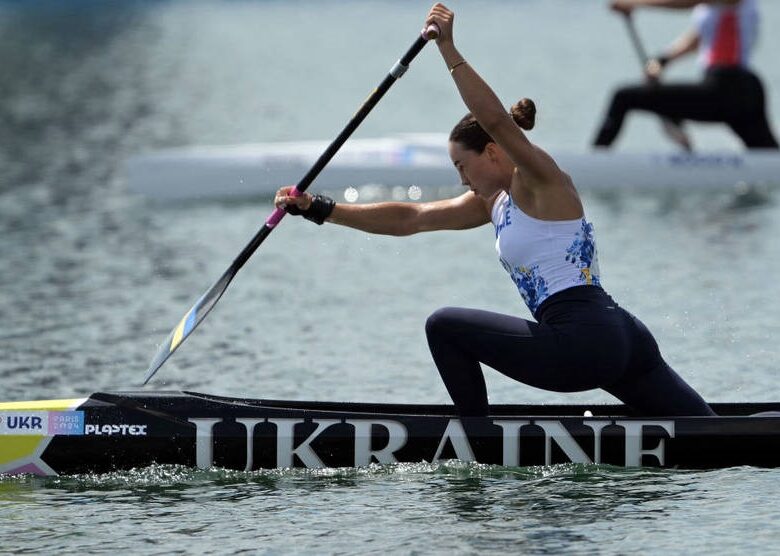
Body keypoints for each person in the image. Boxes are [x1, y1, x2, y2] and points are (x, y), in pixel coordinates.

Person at [276, 3, 716, 417]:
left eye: (461, 166)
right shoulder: (494, 204)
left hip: (582, 340)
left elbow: (496, 120)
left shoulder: (540, 181)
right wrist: (319, 208)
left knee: (444, 326)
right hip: (621, 337)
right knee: (713, 436)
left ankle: (477, 442)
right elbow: (410, 218)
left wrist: (447, 49)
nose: (462, 179)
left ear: (491, 152)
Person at [593, 0, 778, 149]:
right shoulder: (715, 10)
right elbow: (696, 40)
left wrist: (634, 3)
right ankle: (688, 155)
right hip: (741, 90)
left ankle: (593, 163)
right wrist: (661, 61)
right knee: (770, 157)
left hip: (729, 86)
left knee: (623, 97)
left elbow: (688, 2)